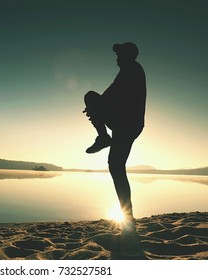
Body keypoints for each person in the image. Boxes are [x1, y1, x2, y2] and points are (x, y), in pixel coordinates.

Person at [83, 42, 146, 232]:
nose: (116, 58)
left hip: (126, 123)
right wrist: (97, 108)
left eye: (119, 54)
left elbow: (112, 91)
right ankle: (103, 137)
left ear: (129, 55)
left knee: (116, 165)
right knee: (116, 165)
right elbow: (111, 93)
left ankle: (127, 216)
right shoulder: (128, 71)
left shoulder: (132, 69)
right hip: (124, 122)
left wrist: (96, 108)